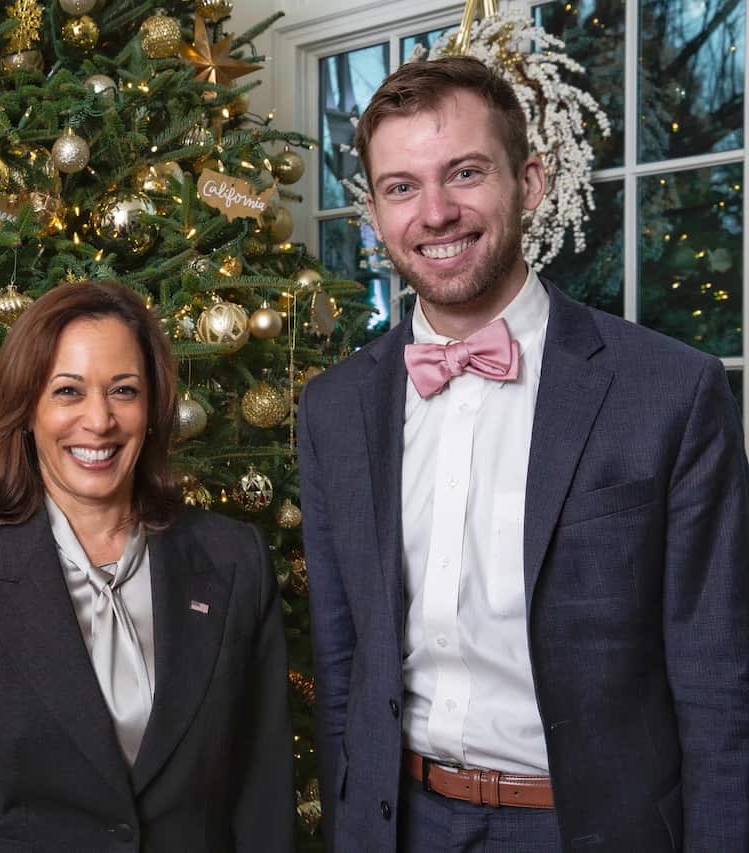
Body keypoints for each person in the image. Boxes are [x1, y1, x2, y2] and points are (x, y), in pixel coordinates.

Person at [298, 56, 749, 853]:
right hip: (399, 823)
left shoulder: (672, 392)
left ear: (531, 180)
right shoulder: (332, 410)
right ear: (373, 213)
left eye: (464, 173)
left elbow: (720, 687)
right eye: (402, 187)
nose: (435, 212)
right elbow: (343, 670)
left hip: (589, 829)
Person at [0, 280, 295, 852]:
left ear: (153, 405)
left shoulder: (233, 560)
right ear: (28, 410)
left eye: (123, 390)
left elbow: (261, 794)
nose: (99, 420)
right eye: (68, 391)